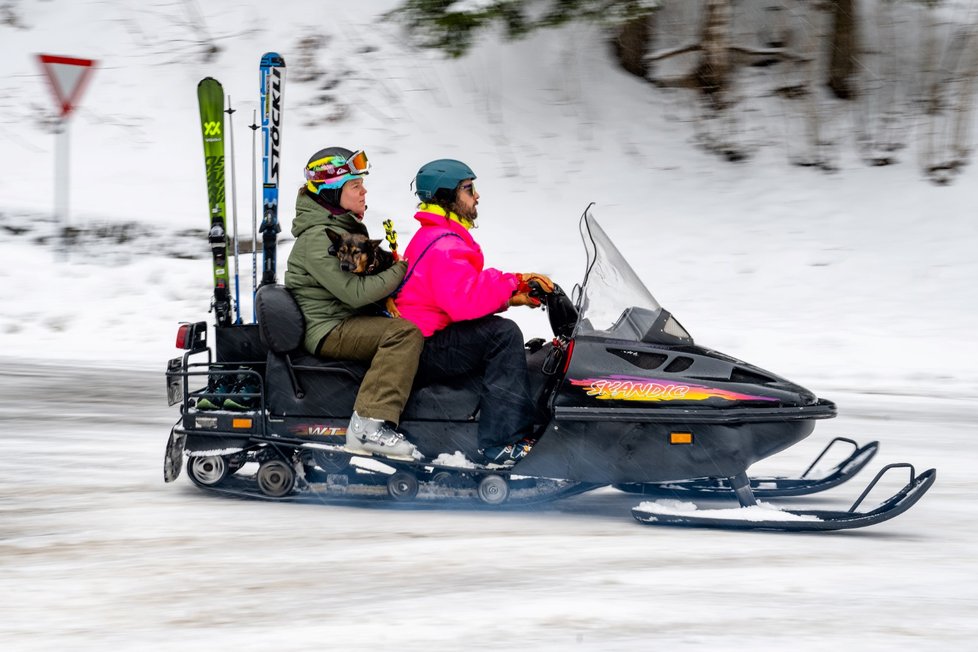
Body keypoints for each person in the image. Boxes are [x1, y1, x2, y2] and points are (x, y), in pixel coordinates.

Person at [394, 158, 554, 466]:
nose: (476, 196)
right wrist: (514, 285)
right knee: (503, 335)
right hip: (425, 344)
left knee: (496, 333)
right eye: (468, 189)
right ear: (446, 196)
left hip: (427, 336)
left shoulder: (439, 236)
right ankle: (502, 443)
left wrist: (514, 291)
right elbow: (463, 300)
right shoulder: (442, 243)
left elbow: (466, 288)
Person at [285, 146, 422, 461]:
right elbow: (356, 293)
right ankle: (367, 427)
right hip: (328, 327)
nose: (363, 191)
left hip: (343, 318)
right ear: (332, 192)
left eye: (361, 184)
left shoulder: (341, 229)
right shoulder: (319, 238)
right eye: (354, 185)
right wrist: (403, 268)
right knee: (403, 333)